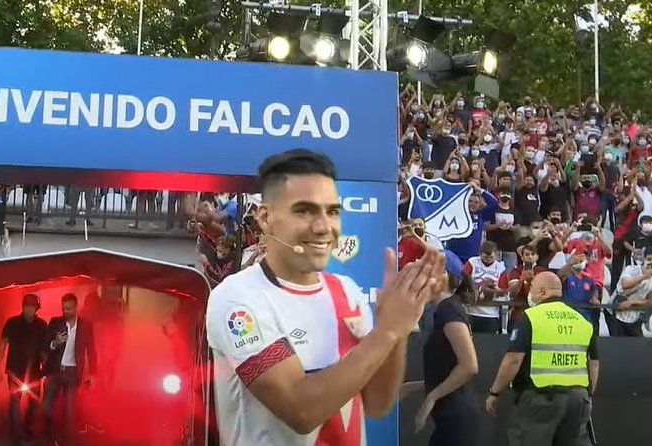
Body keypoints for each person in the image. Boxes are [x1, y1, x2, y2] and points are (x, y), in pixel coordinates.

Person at [206, 149, 444, 445]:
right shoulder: (237, 298)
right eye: (304, 210)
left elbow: (377, 404)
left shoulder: (346, 290)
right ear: (265, 217)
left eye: (332, 212)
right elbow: (301, 410)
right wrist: (388, 331)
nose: (323, 227)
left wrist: (400, 326)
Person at [485, 272, 599, 446]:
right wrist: (589, 395)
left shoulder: (531, 317)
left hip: (540, 398)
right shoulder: (582, 320)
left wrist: (495, 392)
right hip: (577, 399)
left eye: (531, 288)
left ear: (541, 290)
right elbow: (593, 362)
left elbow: (513, 360)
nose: (530, 292)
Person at [414, 251, 480, 446]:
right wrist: (412, 388)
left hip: (457, 417)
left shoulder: (449, 309)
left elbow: (469, 366)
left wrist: (431, 398)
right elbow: (447, 369)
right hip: (452, 416)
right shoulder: (445, 310)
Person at [43, 293, 97, 445]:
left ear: (75, 307)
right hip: (55, 371)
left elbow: (91, 350)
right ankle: (49, 439)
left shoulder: (86, 325)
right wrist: (55, 342)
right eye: (63, 308)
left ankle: (67, 441)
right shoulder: (55, 322)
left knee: (69, 412)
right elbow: (45, 346)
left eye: (68, 308)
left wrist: (92, 374)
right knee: (46, 408)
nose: (65, 311)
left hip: (73, 372)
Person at [0, 294, 49, 445]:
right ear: (22, 306)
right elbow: (2, 344)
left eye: (32, 307)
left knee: (34, 404)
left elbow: (45, 350)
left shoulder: (42, 325)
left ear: (37, 309)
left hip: (34, 373)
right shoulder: (12, 323)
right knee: (14, 404)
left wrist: (47, 366)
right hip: (14, 372)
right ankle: (16, 437)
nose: (29, 309)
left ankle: (27, 429)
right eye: (27, 306)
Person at [463, 241, 506, 334]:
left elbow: (504, 290)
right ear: (480, 254)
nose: (488, 259)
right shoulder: (472, 262)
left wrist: (494, 288)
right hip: (471, 311)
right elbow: (464, 279)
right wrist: (478, 286)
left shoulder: (500, 268)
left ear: (496, 254)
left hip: (490, 313)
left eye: (491, 257)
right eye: (486, 257)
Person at [611, 249, 652, 337]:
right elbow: (625, 285)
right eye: (649, 259)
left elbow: (650, 301)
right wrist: (644, 277)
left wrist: (632, 302)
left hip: (634, 316)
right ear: (644, 259)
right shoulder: (630, 269)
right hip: (616, 312)